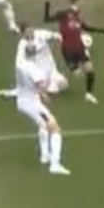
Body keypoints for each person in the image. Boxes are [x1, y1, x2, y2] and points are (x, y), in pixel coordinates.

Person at [44, 0, 104, 104]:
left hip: (80, 48)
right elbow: (47, 19)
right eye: (81, 2)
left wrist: (102, 31)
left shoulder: (78, 18)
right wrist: (47, 6)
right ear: (76, 2)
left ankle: (89, 94)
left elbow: (86, 28)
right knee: (77, 74)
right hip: (68, 50)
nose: (82, 4)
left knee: (90, 70)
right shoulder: (63, 14)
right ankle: (52, 82)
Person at [15, 45, 69, 175]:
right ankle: (55, 164)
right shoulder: (34, 70)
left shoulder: (20, 64)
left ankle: (45, 155)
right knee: (55, 129)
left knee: (43, 125)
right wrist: (48, 88)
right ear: (35, 55)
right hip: (32, 104)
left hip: (24, 100)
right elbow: (41, 86)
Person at [0, 22, 68, 99]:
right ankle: (6, 94)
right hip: (39, 71)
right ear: (23, 34)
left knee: (64, 84)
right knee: (49, 91)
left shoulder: (41, 34)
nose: (30, 33)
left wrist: (59, 39)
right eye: (26, 32)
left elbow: (55, 35)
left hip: (50, 69)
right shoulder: (23, 44)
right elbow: (19, 61)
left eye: (30, 30)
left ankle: (42, 88)